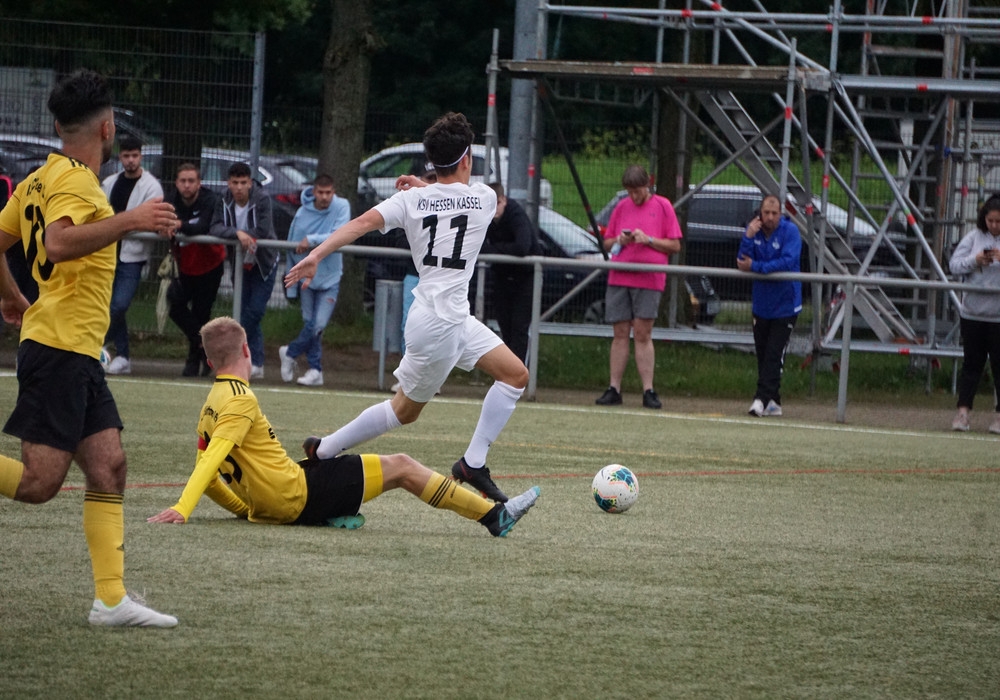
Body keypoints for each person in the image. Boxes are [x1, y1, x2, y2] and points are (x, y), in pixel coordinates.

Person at [0, 69, 178, 627]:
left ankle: (111, 601)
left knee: (109, 467)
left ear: (58, 126)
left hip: (72, 348)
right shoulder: (77, 181)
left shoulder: (38, 179)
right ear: (107, 128)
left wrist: (9, 296)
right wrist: (131, 219)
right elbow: (57, 243)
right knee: (39, 483)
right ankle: (111, 599)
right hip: (60, 347)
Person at [285, 112, 528, 503]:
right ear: (467, 158)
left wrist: (316, 254)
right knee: (404, 411)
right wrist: (426, 186)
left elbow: (360, 223)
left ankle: (472, 464)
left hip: (448, 318)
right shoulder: (484, 198)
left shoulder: (411, 200)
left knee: (515, 375)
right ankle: (324, 449)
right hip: (440, 325)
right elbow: (454, 198)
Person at [148, 317, 540, 536]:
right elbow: (211, 461)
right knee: (402, 466)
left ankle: (331, 504)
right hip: (298, 495)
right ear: (247, 350)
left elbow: (210, 473)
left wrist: (247, 509)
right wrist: (182, 507)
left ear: (210, 362)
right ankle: (494, 516)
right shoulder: (240, 399)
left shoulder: (211, 404)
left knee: (329, 466)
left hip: (279, 501)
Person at [595, 165, 682, 410]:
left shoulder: (663, 206)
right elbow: (607, 242)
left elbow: (675, 245)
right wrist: (620, 240)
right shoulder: (622, 207)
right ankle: (614, 388)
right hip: (620, 276)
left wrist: (649, 240)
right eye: (630, 192)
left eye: (638, 191)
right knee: (620, 333)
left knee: (643, 333)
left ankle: (648, 390)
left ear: (647, 185)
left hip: (649, 278)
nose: (634, 196)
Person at [101, 134, 164, 375]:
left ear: (141, 156)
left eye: (134, 156)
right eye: (126, 156)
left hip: (133, 256)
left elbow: (151, 220)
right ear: (120, 157)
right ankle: (123, 356)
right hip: (108, 252)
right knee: (110, 304)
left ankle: (96, 343)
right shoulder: (110, 183)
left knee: (119, 305)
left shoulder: (151, 186)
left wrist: (122, 224)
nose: (130, 160)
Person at [279, 174, 350, 387]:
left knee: (318, 324)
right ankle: (315, 370)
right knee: (310, 324)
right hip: (306, 278)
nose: (325, 197)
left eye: (329, 193)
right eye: (321, 192)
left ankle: (290, 352)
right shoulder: (302, 213)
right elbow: (293, 246)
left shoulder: (342, 206)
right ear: (314, 192)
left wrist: (311, 240)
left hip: (330, 277)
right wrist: (292, 279)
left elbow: (340, 234)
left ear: (334, 192)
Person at [736, 192, 802, 417]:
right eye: (766, 213)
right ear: (760, 213)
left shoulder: (790, 232)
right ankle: (774, 401)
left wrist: (757, 267)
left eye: (774, 213)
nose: (770, 217)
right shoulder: (754, 231)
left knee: (774, 354)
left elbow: (787, 262)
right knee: (763, 355)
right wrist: (748, 236)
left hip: (785, 305)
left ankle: (760, 399)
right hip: (761, 305)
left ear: (780, 214)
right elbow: (742, 261)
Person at [209, 161, 277, 379]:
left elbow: (263, 229)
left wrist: (246, 235)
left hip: (263, 263)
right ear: (229, 183)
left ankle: (237, 352)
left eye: (243, 183)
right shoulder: (223, 198)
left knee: (254, 312)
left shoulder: (262, 198)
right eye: (235, 183)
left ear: (250, 183)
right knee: (244, 309)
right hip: (239, 263)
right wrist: (237, 233)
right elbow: (215, 227)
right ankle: (255, 362)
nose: (239, 188)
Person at [948, 194, 1000, 433]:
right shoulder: (973, 237)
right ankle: (962, 413)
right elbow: (954, 265)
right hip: (973, 314)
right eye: (991, 221)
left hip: (998, 317)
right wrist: (975, 260)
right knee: (972, 365)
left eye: (999, 222)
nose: (994, 226)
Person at [167, 163, 223, 377]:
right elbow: (161, 221)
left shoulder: (210, 200)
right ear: (176, 183)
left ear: (199, 183)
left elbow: (203, 226)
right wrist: (164, 227)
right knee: (175, 306)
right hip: (185, 265)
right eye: (183, 181)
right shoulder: (171, 200)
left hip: (210, 265)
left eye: (191, 181)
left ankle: (194, 362)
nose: (187, 185)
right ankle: (203, 347)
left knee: (201, 313)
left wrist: (179, 225)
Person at [481, 181, 542, 365]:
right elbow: (480, 247)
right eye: (490, 205)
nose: (494, 209)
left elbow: (522, 247)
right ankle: (507, 371)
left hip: (525, 277)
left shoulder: (516, 215)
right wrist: (499, 251)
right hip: (502, 276)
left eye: (497, 204)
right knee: (505, 326)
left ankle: (518, 372)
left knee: (519, 328)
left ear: (504, 200)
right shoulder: (485, 217)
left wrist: (495, 250)